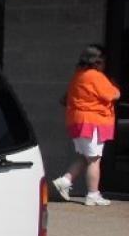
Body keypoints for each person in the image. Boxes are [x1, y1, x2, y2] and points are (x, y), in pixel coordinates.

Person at [52, 44, 121, 205]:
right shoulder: (95, 76)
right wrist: (115, 87)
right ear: (98, 61)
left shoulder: (79, 75)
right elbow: (112, 95)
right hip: (92, 121)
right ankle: (93, 194)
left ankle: (65, 181)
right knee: (94, 159)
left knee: (85, 157)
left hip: (78, 121)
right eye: (103, 61)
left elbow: (65, 99)